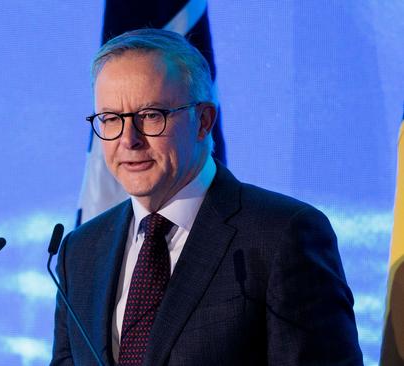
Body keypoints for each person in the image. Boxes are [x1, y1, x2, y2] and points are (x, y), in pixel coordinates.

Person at [50, 29, 363, 365]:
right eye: (111, 119)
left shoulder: (281, 236)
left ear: (203, 121)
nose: (129, 139)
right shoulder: (80, 251)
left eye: (151, 116)